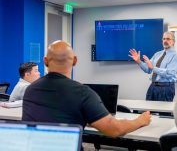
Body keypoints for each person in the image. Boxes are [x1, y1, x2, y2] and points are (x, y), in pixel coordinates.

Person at [22, 40, 151, 138]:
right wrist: (140, 120)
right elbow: (114, 129)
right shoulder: (83, 93)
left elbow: (56, 116)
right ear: (75, 61)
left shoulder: (30, 90)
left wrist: (87, 118)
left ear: (45, 61)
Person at [129, 31, 177, 101]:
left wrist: (153, 68)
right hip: (153, 86)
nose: (165, 41)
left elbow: (170, 73)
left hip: (166, 88)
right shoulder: (157, 54)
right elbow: (148, 69)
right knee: (148, 110)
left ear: (173, 42)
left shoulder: (175, 56)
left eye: (168, 39)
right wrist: (139, 61)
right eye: (164, 39)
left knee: (164, 111)